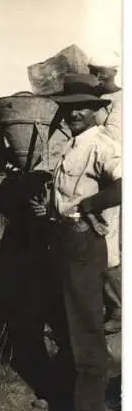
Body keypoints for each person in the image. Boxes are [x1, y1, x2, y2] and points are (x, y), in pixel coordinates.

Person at [30, 74, 121, 411]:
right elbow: (67, 194)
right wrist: (48, 210)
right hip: (65, 241)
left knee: (85, 332)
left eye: (83, 106)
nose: (74, 114)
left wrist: (87, 206)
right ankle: (71, 403)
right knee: (68, 327)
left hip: (85, 244)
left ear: (99, 109)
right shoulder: (71, 147)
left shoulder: (102, 145)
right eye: (69, 108)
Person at [88, 51, 122, 333]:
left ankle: (119, 310)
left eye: (101, 71)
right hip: (102, 178)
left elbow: (112, 141)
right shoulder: (101, 100)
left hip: (116, 179)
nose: (96, 75)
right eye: (92, 69)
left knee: (110, 248)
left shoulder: (122, 102)